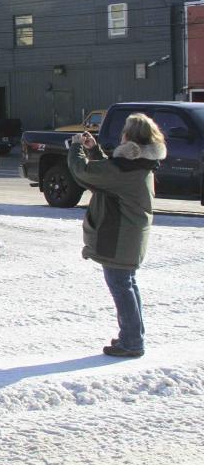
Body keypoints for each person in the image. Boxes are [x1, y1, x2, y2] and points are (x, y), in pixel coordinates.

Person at [67, 114, 166, 358]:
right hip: (129, 235)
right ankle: (132, 337)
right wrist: (95, 151)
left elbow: (84, 172)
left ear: (130, 138)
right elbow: (110, 173)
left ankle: (132, 342)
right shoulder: (140, 164)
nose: (121, 134)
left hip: (121, 237)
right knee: (127, 285)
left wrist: (77, 146)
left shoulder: (127, 169)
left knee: (122, 287)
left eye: (124, 131)